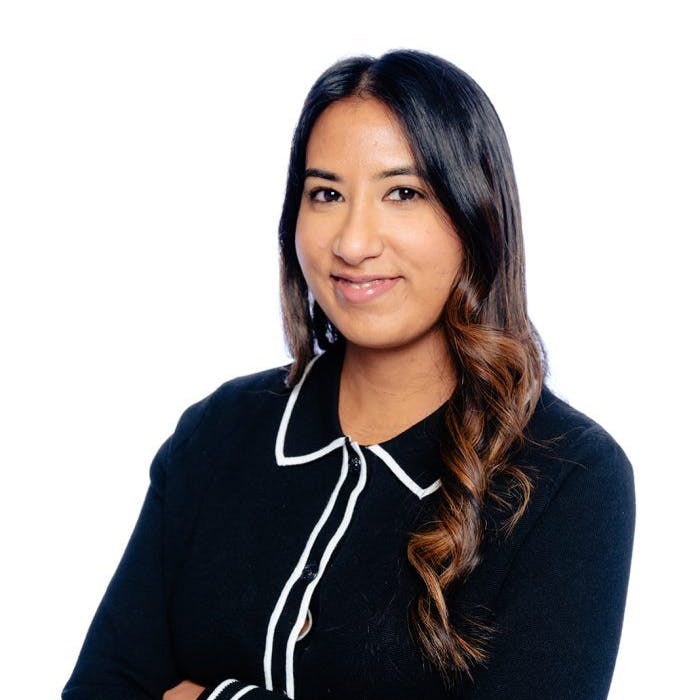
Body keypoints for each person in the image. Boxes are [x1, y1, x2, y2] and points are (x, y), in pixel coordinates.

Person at [62, 49, 635, 700]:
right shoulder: (217, 433)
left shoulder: (570, 478)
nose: (354, 242)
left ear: (476, 212)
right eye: (326, 194)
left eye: (403, 193)